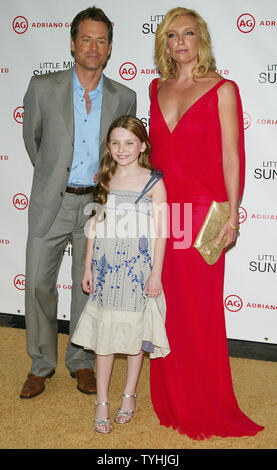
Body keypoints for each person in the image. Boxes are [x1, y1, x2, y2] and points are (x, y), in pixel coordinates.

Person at [149, 7, 264, 439]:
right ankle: (173, 397)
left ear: (202, 39)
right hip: (163, 211)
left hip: (203, 213)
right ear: (165, 43)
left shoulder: (223, 89)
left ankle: (205, 401)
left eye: (189, 34)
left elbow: (233, 155)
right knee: (166, 307)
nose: (181, 42)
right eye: (172, 35)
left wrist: (233, 212)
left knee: (199, 311)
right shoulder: (155, 87)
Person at [20, 7, 137, 399]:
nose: (93, 47)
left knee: (87, 287)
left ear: (109, 49)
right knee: (37, 282)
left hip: (96, 206)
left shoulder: (125, 96)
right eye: (86, 38)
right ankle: (41, 364)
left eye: (101, 40)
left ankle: (80, 361)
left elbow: (123, 154)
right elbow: (34, 142)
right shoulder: (42, 87)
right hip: (51, 201)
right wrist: (56, 177)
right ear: (72, 43)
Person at [71, 115, 170, 433]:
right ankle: (101, 401)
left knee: (132, 337)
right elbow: (94, 224)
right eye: (115, 143)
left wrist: (156, 273)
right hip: (104, 268)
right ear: (109, 146)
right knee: (104, 338)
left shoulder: (154, 182)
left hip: (138, 271)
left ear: (142, 145)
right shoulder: (105, 176)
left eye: (129, 142)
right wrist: (87, 264)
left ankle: (129, 395)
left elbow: (162, 232)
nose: (121, 149)